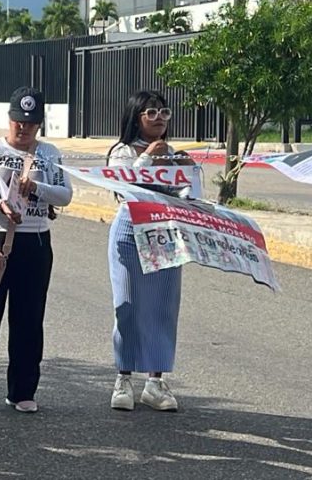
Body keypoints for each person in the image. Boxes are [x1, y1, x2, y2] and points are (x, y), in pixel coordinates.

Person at [0, 86, 73, 414]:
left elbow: (65, 195)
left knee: (29, 318)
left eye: (30, 123)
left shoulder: (49, 153)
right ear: (9, 119)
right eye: (18, 122)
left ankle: (22, 390)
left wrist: (36, 187)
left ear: (39, 124)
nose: (23, 129)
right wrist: (0, 204)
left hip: (34, 241)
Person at [105, 90, 192, 413]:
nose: (158, 119)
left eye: (163, 112)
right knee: (127, 306)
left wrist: (187, 169)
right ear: (136, 117)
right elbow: (124, 188)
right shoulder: (122, 151)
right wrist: (149, 156)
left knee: (162, 308)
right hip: (129, 232)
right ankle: (123, 378)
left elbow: (188, 195)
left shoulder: (173, 153)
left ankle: (155, 383)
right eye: (150, 113)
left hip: (165, 235)